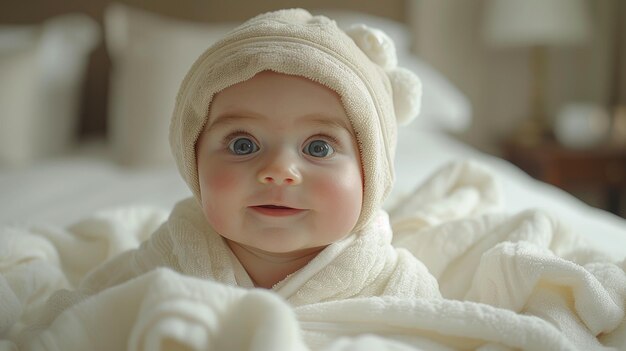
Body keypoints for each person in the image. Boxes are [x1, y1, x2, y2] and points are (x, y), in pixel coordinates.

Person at [13, 8, 625, 350]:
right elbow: (78, 317)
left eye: (319, 146)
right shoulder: (170, 254)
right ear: (193, 163)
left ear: (371, 175)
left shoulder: (392, 274)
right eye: (243, 143)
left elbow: (429, 333)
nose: (279, 169)